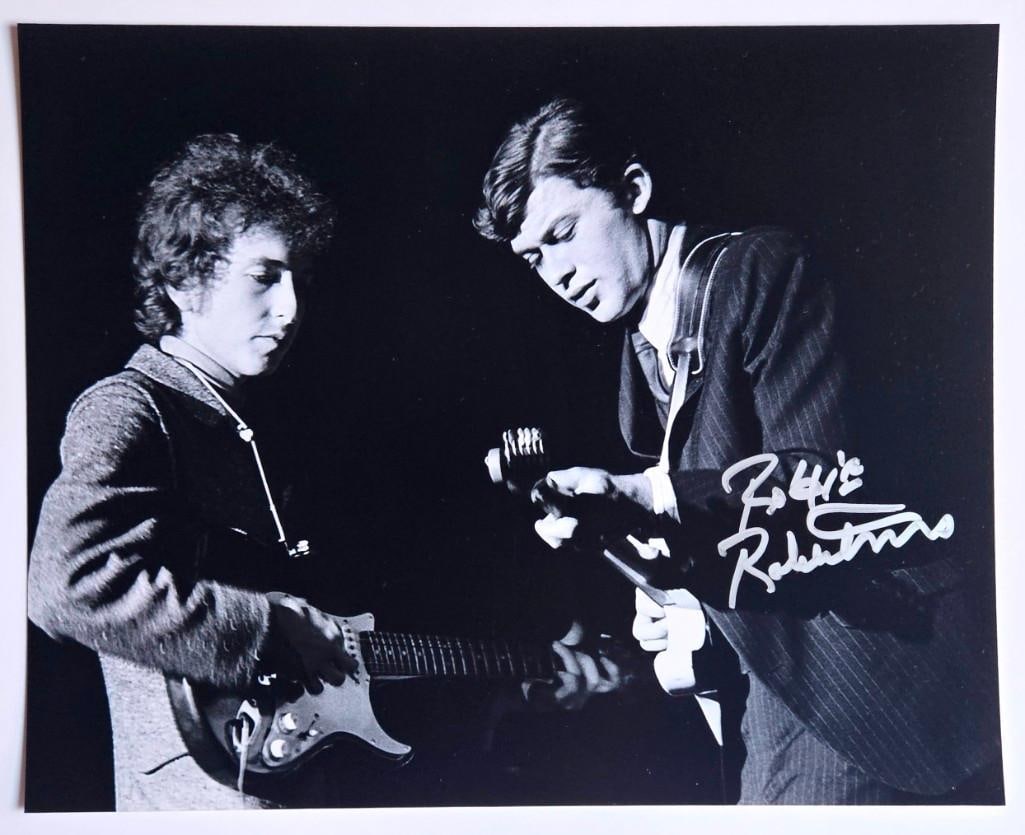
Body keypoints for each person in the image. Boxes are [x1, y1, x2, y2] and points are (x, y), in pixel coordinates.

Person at [472, 97, 1002, 803]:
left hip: (868, 674)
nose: (556, 274)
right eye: (534, 258)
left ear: (633, 189)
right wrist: (612, 536)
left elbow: (820, 482)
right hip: (776, 691)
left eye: (564, 233)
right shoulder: (637, 359)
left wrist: (643, 495)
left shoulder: (761, 269)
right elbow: (710, 532)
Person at [27, 134, 353, 810]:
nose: (292, 309)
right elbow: (66, 584)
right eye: (263, 276)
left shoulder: (243, 416)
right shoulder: (130, 407)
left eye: (301, 280)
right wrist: (262, 627)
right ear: (184, 278)